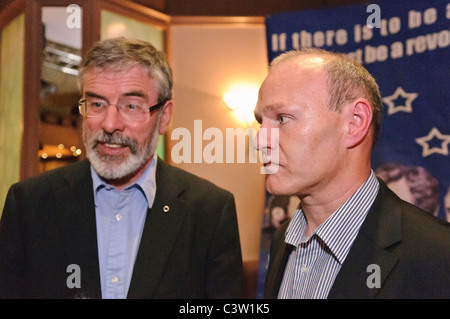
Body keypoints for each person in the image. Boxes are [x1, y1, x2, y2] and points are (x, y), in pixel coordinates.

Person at [0, 37, 243, 299]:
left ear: (165, 117)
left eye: (131, 106)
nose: (109, 124)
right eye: (96, 104)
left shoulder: (210, 211)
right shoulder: (29, 204)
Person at [255, 48, 450, 299]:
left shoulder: (437, 255)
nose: (259, 140)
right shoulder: (283, 239)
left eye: (282, 118)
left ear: (355, 122)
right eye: (261, 121)